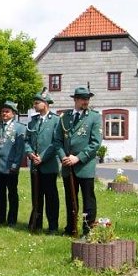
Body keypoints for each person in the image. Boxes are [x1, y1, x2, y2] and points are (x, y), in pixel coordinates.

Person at [57, 86, 103, 237]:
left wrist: (77, 158)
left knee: (88, 199)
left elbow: (95, 143)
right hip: (67, 166)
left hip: (85, 166)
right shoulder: (64, 117)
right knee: (70, 198)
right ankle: (71, 228)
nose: (86, 102)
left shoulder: (94, 117)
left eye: (88, 99)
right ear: (75, 100)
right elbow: (57, 141)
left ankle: (88, 229)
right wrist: (63, 157)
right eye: (83, 99)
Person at [25, 89, 61, 234]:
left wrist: (43, 157)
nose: (34, 105)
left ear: (45, 103)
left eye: (36, 103)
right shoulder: (33, 121)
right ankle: (36, 224)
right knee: (36, 196)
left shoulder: (56, 121)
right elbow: (27, 140)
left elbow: (56, 142)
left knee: (51, 197)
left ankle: (52, 226)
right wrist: (29, 153)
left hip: (49, 165)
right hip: (35, 166)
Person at [0, 100, 26, 227]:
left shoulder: (19, 128)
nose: (4, 113)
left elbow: (20, 150)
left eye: (7, 111)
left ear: (13, 113)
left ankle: (12, 220)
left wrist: (16, 165)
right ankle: (0, 218)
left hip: (10, 167)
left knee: (12, 193)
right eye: (3, 111)